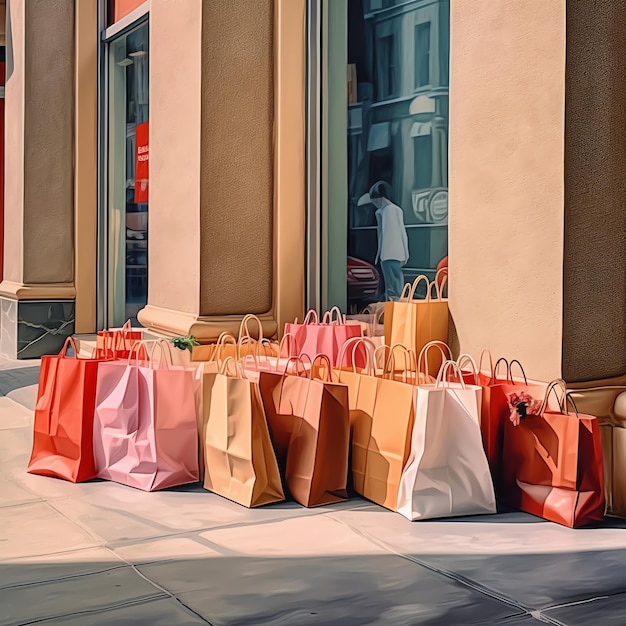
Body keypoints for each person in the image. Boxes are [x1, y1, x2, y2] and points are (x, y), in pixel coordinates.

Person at [358, 181, 409, 301]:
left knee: (392, 285)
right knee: (396, 282)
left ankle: (393, 307)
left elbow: (384, 235)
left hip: (388, 255)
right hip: (395, 254)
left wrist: (380, 254)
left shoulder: (385, 211)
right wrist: (405, 253)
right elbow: (401, 233)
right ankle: (396, 305)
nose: (375, 204)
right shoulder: (395, 210)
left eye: (375, 201)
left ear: (380, 199)